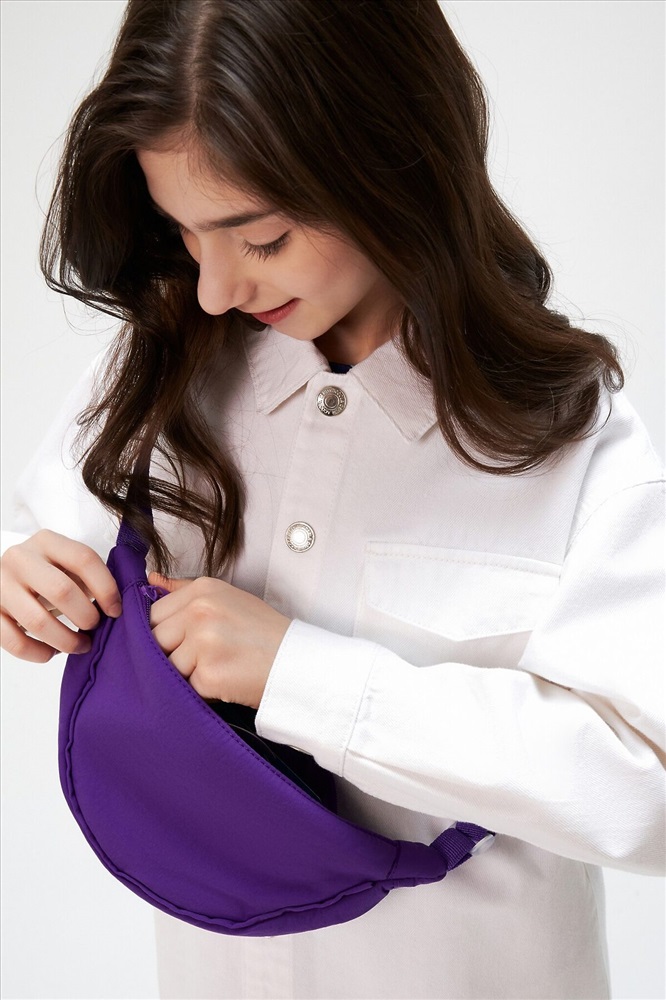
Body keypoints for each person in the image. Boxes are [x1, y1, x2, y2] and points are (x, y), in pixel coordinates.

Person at [1, 0, 663, 997]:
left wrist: (302, 676)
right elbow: (41, 533)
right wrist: (24, 578)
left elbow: (647, 789)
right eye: (183, 233)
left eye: (261, 238)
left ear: (389, 165)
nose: (215, 287)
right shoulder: (163, 365)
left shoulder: (570, 436)